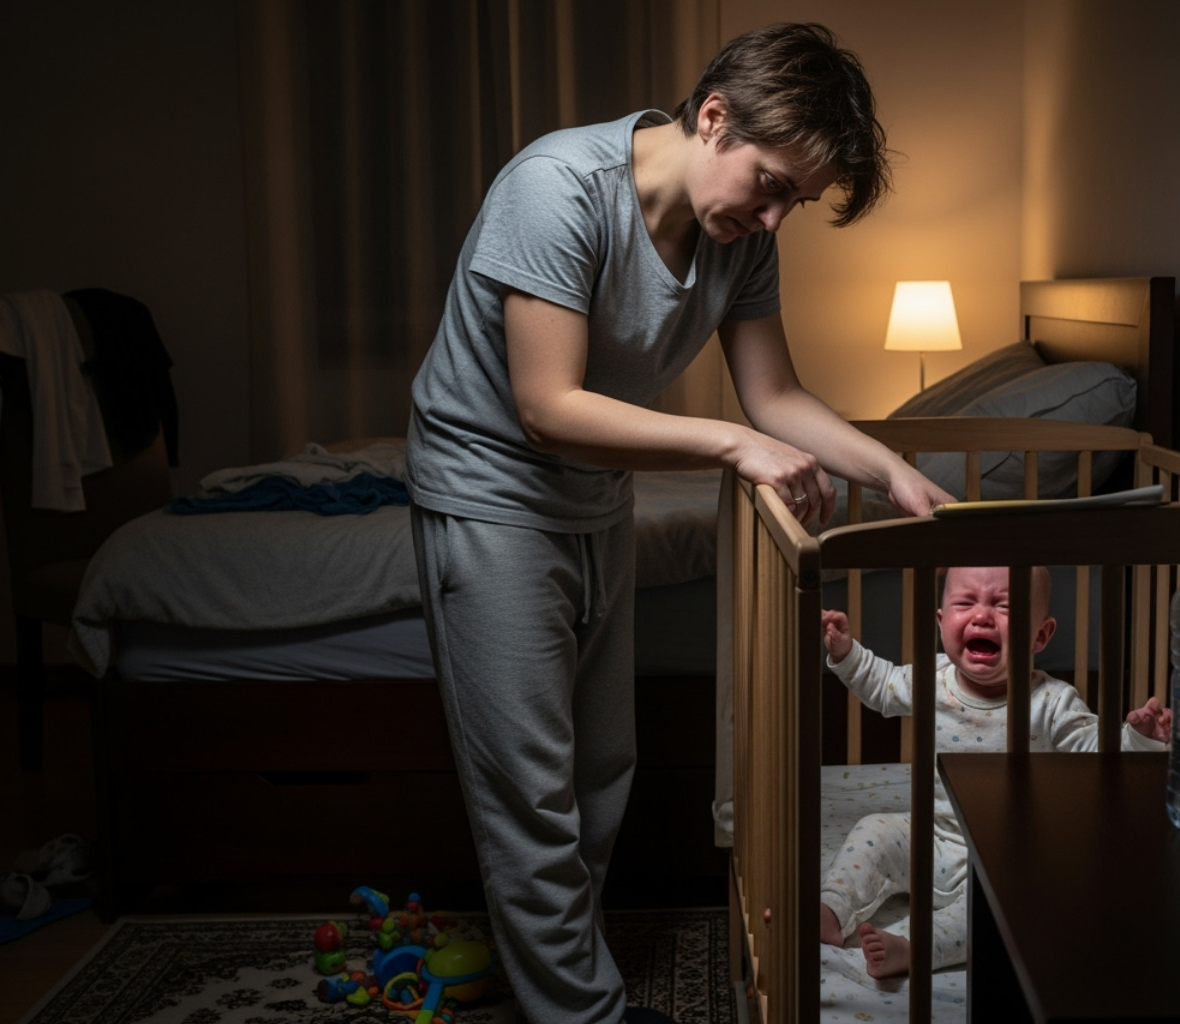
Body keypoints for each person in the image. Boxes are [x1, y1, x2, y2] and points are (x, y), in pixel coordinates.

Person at [404, 22, 954, 1024]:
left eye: (798, 199)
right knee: (530, 788)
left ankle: (558, 967)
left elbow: (775, 393)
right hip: (489, 493)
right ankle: (580, 1012)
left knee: (605, 762)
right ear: (712, 119)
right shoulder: (556, 187)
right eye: (775, 182)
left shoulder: (735, 241)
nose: (777, 215)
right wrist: (730, 447)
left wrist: (895, 474)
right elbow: (547, 404)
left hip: (592, 495)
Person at [817, 565, 1172, 979]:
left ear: (1040, 635)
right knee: (875, 829)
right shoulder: (933, 680)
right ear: (941, 621)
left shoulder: (1052, 702)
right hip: (932, 837)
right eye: (965, 603)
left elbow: (1096, 752)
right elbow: (881, 684)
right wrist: (845, 653)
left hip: (1004, 858)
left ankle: (913, 948)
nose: (982, 616)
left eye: (1004, 606)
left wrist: (1140, 738)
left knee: (1008, 906)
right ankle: (830, 910)